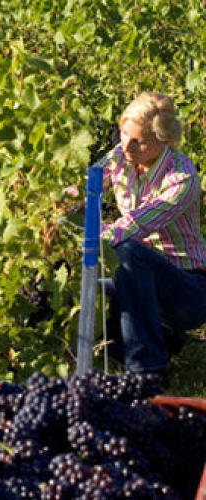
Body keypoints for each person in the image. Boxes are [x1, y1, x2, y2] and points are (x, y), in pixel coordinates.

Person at [96, 92, 206, 376]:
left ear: (164, 140)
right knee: (89, 287)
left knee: (127, 251)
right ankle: (162, 335)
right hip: (144, 281)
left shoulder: (180, 179)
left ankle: (148, 368)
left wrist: (87, 238)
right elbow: (87, 189)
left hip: (187, 289)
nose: (126, 146)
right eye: (123, 134)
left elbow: (131, 226)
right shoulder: (121, 156)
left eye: (139, 141)